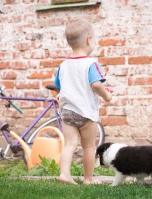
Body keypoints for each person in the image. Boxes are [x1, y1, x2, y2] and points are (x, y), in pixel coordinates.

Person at [54, 19, 112, 185]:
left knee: (69, 144)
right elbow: (96, 85)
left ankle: (64, 174)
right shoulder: (91, 64)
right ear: (88, 40)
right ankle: (88, 179)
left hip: (67, 112)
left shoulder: (63, 65)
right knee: (89, 147)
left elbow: (59, 87)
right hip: (86, 112)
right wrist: (107, 96)